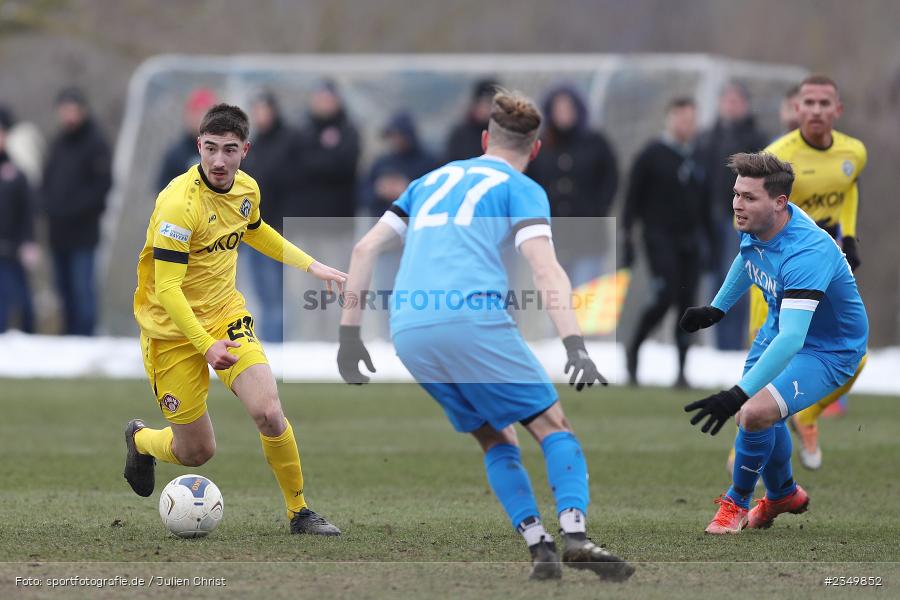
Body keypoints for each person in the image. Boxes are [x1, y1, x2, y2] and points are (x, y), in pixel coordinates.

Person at [336, 90, 634, 582]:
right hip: (469, 320)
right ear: (535, 149)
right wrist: (574, 344)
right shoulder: (521, 187)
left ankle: (540, 547)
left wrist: (349, 337)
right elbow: (545, 269)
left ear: (483, 139)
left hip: (408, 329)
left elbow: (366, 248)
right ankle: (575, 536)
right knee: (552, 425)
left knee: (494, 436)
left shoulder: (429, 180)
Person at [125, 104, 347, 536]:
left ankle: (299, 512)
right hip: (171, 332)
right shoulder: (177, 205)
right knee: (196, 452)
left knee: (268, 412)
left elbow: (255, 228)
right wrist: (204, 345)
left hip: (226, 315)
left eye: (230, 150)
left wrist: (310, 265)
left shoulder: (246, 189)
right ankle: (140, 440)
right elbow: (168, 290)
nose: (219, 160)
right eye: (211, 148)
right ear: (199, 147)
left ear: (245, 149)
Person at [680, 152, 867, 535]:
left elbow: (795, 339)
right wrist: (716, 309)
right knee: (765, 414)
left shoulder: (807, 252)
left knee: (751, 413)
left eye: (749, 197)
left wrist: (737, 394)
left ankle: (735, 504)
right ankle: (783, 494)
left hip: (829, 349)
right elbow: (747, 259)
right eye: (736, 194)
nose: (737, 204)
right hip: (779, 327)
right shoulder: (755, 221)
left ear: (780, 203)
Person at [747, 75, 868, 469]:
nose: (816, 110)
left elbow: (848, 187)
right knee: (769, 363)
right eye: (808, 103)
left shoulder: (855, 152)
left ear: (837, 110)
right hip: (777, 274)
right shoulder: (778, 158)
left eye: (823, 103)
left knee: (854, 354)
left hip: (826, 271)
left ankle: (809, 415)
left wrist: (848, 236)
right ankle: (746, 449)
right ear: (796, 109)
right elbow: (752, 218)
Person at [622, 97, 713, 387]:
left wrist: (711, 244)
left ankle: (682, 371)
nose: (686, 125)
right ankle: (634, 347)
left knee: (688, 304)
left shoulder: (699, 157)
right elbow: (631, 200)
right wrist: (627, 239)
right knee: (665, 296)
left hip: (690, 242)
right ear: (670, 119)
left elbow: (706, 206)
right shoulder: (652, 154)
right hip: (659, 237)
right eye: (681, 118)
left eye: (691, 119)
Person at [695, 82, 769, 350]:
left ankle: (738, 345)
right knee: (716, 280)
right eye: (727, 100)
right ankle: (719, 346)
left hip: (743, 221)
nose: (731, 105)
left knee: (740, 279)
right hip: (711, 219)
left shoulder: (758, 138)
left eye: (736, 100)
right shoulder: (706, 138)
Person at [527, 84, 618, 287]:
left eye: (568, 109)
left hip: (588, 234)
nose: (563, 114)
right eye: (558, 109)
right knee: (558, 296)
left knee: (587, 293)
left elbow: (610, 178)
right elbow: (530, 181)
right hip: (552, 235)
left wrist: (597, 208)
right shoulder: (541, 145)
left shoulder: (595, 143)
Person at [41, 87, 111, 336]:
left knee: (83, 289)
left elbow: (101, 187)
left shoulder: (96, 143)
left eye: (73, 110)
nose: (69, 116)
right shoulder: (57, 143)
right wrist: (49, 207)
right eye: (65, 110)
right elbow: (46, 182)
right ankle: (68, 337)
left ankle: (85, 337)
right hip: (58, 231)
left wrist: (72, 209)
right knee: (63, 290)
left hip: (83, 232)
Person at [239, 90, 296, 342]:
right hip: (253, 231)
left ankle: (277, 345)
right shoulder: (255, 146)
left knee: (277, 296)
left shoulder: (289, 142)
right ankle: (269, 344)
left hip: (278, 229)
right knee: (263, 295)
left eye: (263, 109)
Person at [293, 79, 360, 219]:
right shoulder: (304, 130)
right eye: (320, 99)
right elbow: (298, 164)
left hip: (340, 211)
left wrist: (317, 163)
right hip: (307, 211)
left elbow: (345, 166)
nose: (323, 103)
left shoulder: (348, 130)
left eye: (327, 99)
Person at [0, 107, 37, 332]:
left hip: (11, 250)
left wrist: (28, 242)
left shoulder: (16, 173)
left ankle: (26, 341)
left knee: (22, 302)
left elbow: (27, 210)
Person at [157, 88, 218, 191]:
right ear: (188, 115)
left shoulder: (226, 152)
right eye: (197, 112)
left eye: (206, 113)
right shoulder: (175, 154)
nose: (201, 118)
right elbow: (163, 191)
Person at [443, 78, 500, 162]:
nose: (490, 108)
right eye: (487, 103)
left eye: (495, 104)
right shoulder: (461, 135)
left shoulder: (502, 135)